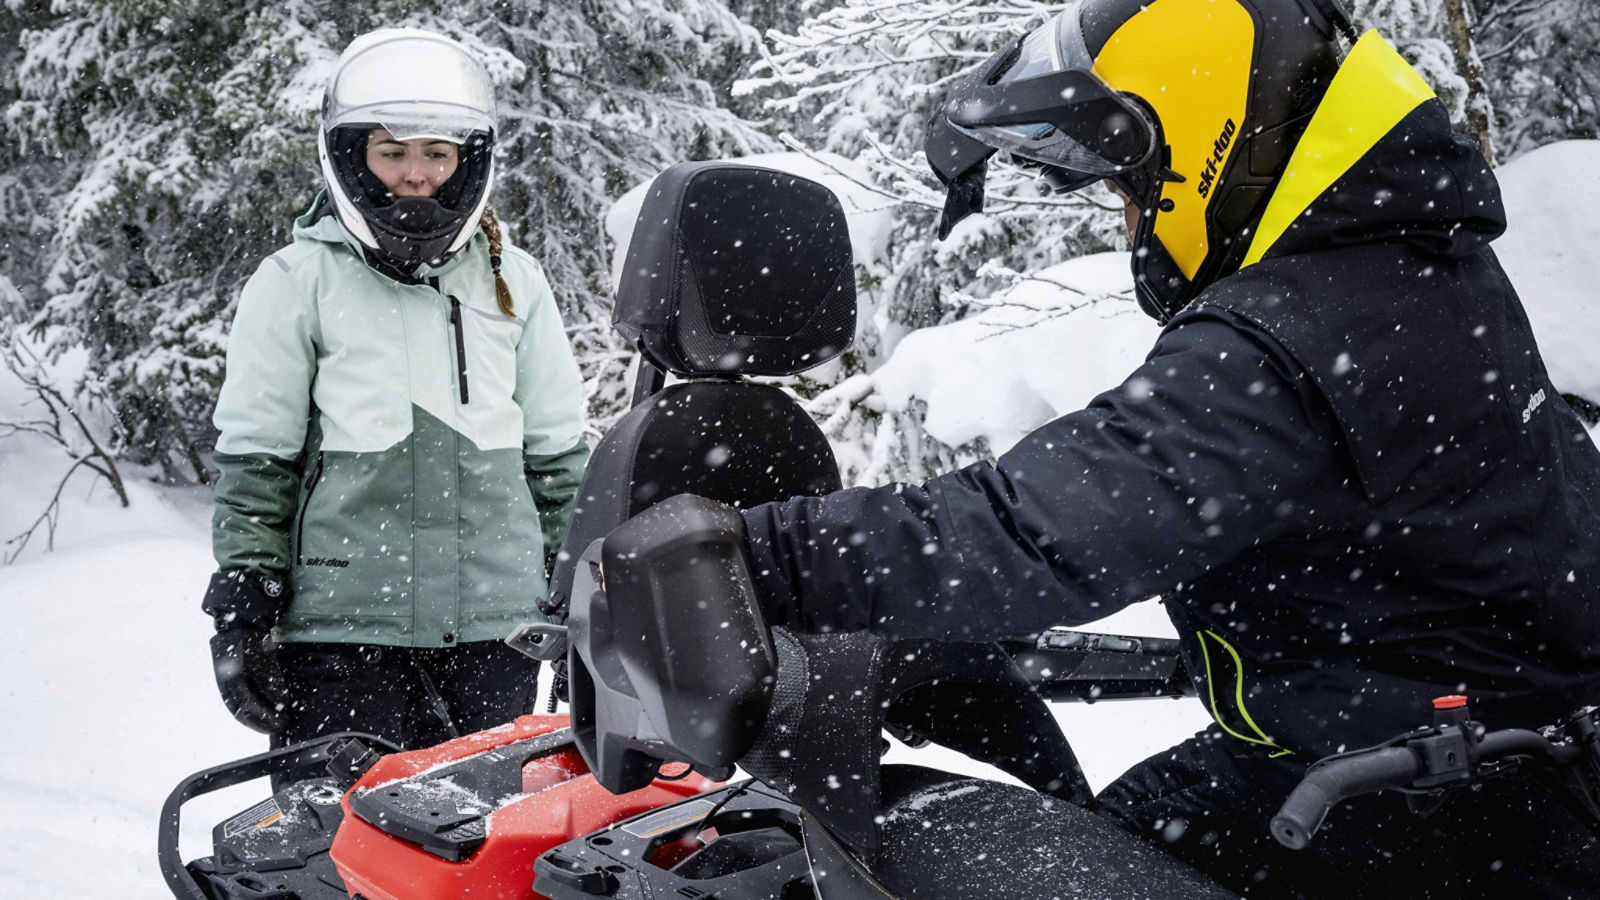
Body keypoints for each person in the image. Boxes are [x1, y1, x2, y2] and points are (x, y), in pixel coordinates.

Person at [732, 0, 1600, 896]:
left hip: (1450, 818)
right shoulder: (1408, 263)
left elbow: (1038, 530)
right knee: (1082, 842)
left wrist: (755, 553)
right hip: (1426, 754)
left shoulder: (1302, 326)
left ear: (1203, 135)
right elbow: (1392, 566)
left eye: (1131, 183)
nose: (1127, 216)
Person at [203, 29, 589, 769]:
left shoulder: (517, 282)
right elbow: (260, 459)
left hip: (494, 631)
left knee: (480, 859)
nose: (417, 175)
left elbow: (560, 459)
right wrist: (242, 601)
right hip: (342, 632)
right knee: (338, 855)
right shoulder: (296, 280)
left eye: (438, 153)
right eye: (393, 151)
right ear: (352, 155)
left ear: (468, 161)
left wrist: (587, 601)